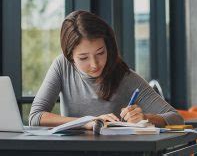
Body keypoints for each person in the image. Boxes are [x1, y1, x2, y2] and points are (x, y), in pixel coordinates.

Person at [29, 10, 183, 129]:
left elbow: (176, 118)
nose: (95, 64)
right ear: (70, 57)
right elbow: (35, 117)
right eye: (83, 58)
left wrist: (145, 118)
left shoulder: (124, 76)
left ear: (108, 47)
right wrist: (87, 122)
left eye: (100, 53)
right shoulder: (62, 66)